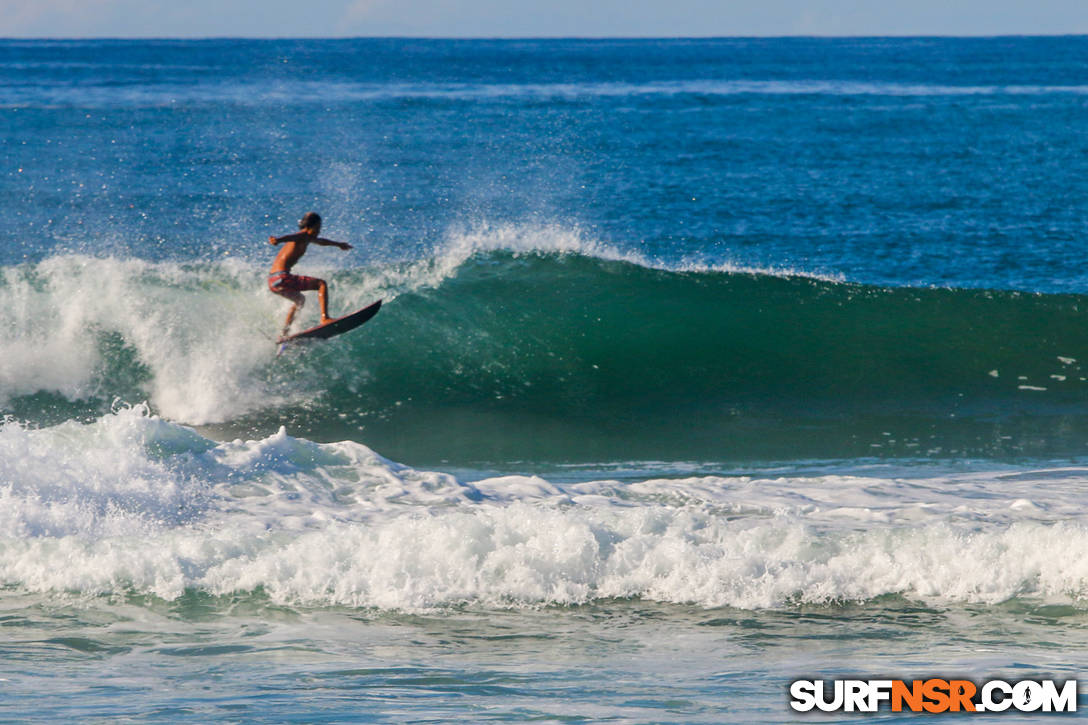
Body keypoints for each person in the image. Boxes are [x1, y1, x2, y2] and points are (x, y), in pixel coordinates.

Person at [267, 211, 353, 336]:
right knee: (321, 284)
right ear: (308, 227)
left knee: (300, 300)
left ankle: (284, 332)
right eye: (317, 228)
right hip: (282, 277)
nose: (319, 231)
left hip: (273, 281)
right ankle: (325, 318)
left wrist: (338, 244)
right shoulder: (302, 235)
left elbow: (321, 241)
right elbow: (292, 236)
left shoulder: (307, 238)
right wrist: (278, 240)